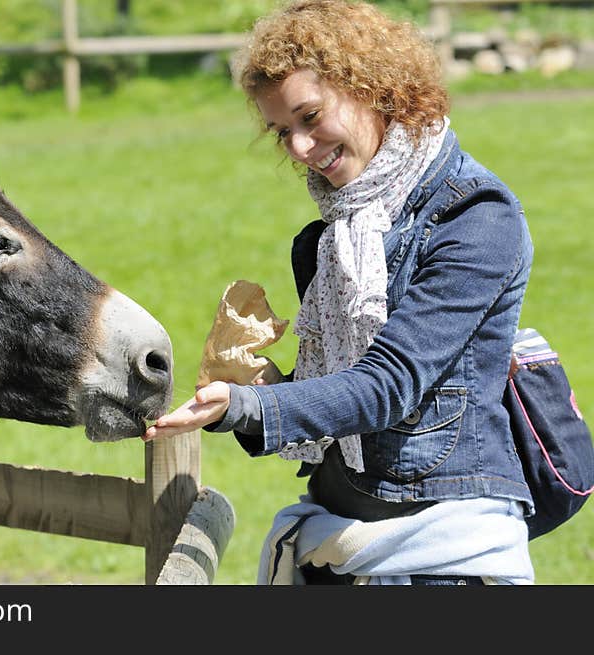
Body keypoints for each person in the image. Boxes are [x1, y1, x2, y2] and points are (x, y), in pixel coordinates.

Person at [143, 0, 536, 585]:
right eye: (283, 131)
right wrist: (260, 390)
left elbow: (387, 386)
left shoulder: (476, 217)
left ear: (373, 87)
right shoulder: (335, 236)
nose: (300, 148)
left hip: (443, 557)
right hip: (335, 540)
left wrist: (246, 407)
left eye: (310, 116)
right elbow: (332, 404)